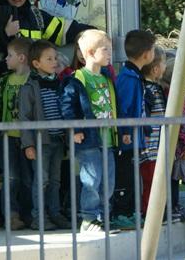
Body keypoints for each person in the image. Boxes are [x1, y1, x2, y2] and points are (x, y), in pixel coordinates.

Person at [61, 29, 118, 233]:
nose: (110, 53)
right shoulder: (76, 79)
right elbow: (67, 106)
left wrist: (122, 131)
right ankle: (89, 218)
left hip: (108, 139)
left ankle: (103, 216)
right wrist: (75, 129)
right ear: (91, 52)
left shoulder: (106, 78)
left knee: (108, 181)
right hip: (88, 139)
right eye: (106, 49)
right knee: (91, 180)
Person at [19, 40, 71, 230]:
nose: (54, 62)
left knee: (55, 180)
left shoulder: (60, 83)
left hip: (58, 139)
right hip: (41, 142)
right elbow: (24, 117)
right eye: (49, 59)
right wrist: (28, 144)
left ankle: (54, 213)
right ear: (36, 63)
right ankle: (39, 217)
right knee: (42, 180)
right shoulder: (30, 87)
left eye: (55, 58)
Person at [113, 30, 156, 229]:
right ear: (146, 54)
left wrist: (144, 132)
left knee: (132, 176)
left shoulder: (134, 76)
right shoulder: (129, 78)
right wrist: (126, 133)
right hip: (128, 139)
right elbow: (125, 108)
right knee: (125, 176)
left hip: (135, 137)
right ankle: (121, 213)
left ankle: (130, 212)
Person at [0, 37, 33, 230]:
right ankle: (11, 215)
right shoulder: (4, 80)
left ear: (21, 58)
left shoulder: (33, 79)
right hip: (8, 136)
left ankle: (28, 214)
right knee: (10, 177)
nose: (6, 59)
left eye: (9, 55)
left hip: (28, 138)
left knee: (28, 178)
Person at [160, 56, 185, 222]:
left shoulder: (178, 95)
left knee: (174, 177)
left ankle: (174, 205)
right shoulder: (174, 96)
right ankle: (171, 206)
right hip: (177, 146)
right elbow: (181, 123)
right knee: (173, 177)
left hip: (179, 145)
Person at [138, 45, 168, 218]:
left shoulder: (156, 88)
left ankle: (157, 212)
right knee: (151, 181)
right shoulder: (148, 90)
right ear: (155, 69)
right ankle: (149, 213)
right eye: (164, 63)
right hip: (150, 148)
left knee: (156, 181)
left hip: (158, 146)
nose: (165, 66)